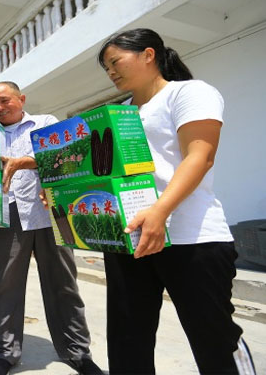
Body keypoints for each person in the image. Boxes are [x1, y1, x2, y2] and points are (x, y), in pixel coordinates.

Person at [97, 28, 256, 374]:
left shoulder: (188, 93)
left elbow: (200, 156)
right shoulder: (118, 113)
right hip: (132, 238)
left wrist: (160, 211)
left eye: (115, 62)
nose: (111, 72)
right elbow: (103, 174)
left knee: (214, 339)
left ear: (148, 55)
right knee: (127, 340)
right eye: (106, 68)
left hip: (192, 238)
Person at [0, 81, 103, 375]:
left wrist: (23, 163)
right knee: (4, 285)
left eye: (4, 100)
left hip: (49, 210)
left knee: (63, 282)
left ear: (21, 99)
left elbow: (64, 155)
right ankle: (3, 352)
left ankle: (77, 351)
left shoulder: (46, 123)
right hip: (8, 214)